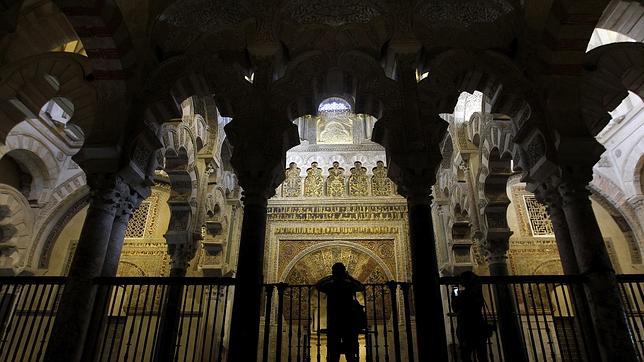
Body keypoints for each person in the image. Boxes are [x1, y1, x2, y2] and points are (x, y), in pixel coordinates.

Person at [316, 262, 365, 362]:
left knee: (334, 352)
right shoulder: (349, 284)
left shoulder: (330, 285)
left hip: (334, 321)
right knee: (350, 352)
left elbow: (318, 285)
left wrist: (330, 277)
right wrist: (350, 277)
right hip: (348, 321)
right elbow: (361, 287)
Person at [451, 271, 490, 362]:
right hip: (479, 326)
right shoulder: (477, 293)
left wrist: (455, 288)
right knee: (482, 355)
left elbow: (455, 306)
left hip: (466, 328)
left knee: (466, 354)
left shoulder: (465, 295)